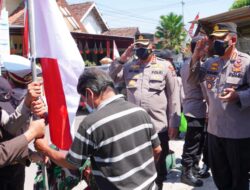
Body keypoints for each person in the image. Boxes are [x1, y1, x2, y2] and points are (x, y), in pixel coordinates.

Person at [35, 68, 162, 190]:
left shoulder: (91, 124)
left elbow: (72, 163)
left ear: (89, 93)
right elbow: (157, 150)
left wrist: (45, 149)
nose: (86, 104)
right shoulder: (140, 112)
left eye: (84, 99)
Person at [109, 36, 181, 189]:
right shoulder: (129, 66)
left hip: (158, 125)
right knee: (135, 162)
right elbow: (111, 78)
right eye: (137, 47)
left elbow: (174, 95)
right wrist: (122, 59)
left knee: (159, 163)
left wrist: (174, 122)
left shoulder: (164, 66)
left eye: (143, 46)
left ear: (152, 47)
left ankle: (158, 185)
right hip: (133, 126)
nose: (140, 49)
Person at [189, 22, 250, 190]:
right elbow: (193, 81)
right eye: (214, 39)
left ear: (233, 39)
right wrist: (196, 56)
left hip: (238, 133)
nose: (217, 42)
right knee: (220, 176)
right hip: (215, 131)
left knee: (239, 179)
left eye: (221, 39)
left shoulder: (246, 63)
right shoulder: (210, 63)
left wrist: (238, 95)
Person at [0, 73, 45, 190]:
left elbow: (8, 130)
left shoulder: (4, 103)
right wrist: (31, 133)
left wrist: (33, 155)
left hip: (16, 168)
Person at [180, 36, 209, 187]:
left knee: (199, 142)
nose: (207, 49)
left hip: (197, 109)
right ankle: (186, 172)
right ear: (197, 48)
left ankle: (194, 169)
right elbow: (205, 89)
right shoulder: (192, 64)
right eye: (204, 47)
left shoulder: (193, 63)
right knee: (192, 143)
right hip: (195, 109)